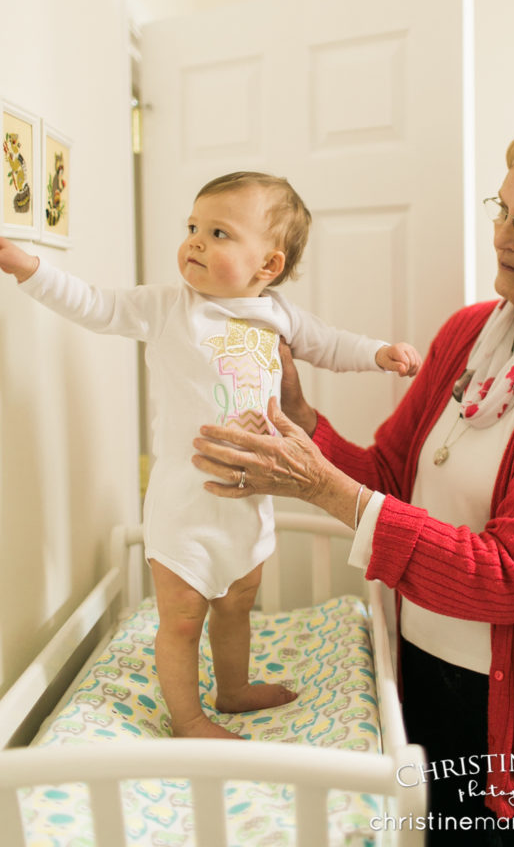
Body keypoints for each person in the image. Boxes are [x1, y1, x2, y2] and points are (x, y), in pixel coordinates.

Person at [191, 121, 514, 844]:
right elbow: (389, 476)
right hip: (433, 669)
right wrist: (297, 414)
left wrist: (320, 488)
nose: (504, 236)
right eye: (501, 209)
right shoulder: (474, 331)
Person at [0, 170, 421, 742]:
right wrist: (31, 269)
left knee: (238, 603)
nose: (195, 240)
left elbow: (332, 343)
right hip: (185, 502)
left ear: (268, 266)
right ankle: (189, 717)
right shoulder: (170, 307)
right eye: (193, 227)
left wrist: (380, 354)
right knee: (180, 618)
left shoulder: (278, 315)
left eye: (219, 233)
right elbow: (95, 305)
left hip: (252, 497)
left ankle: (233, 689)